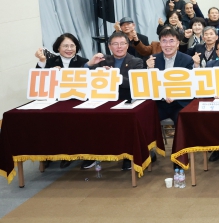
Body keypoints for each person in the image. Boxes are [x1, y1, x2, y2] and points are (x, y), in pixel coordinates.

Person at [86, 31, 145, 170]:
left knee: (126, 120)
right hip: (104, 100)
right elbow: (84, 78)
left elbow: (135, 84)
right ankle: (94, 154)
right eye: (115, 44)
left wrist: (114, 76)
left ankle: (128, 155)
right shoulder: (102, 60)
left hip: (126, 100)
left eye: (122, 43)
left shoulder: (137, 61)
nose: (119, 47)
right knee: (89, 117)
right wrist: (90, 64)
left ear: (128, 45)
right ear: (109, 46)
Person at [34, 33, 91, 170]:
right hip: (54, 100)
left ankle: (69, 154)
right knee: (44, 121)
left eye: (72, 46)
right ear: (58, 48)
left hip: (76, 101)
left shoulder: (83, 61)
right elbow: (39, 80)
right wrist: (44, 66)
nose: (69, 49)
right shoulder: (50, 61)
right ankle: (49, 154)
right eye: (65, 46)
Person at [148, 28, 194, 126]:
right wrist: (149, 69)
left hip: (179, 103)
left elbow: (189, 84)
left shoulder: (187, 60)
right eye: (164, 41)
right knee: (146, 119)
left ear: (177, 43)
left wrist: (175, 95)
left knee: (183, 121)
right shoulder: (153, 59)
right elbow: (149, 85)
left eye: (171, 41)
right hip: (159, 103)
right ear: (160, 43)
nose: (168, 45)